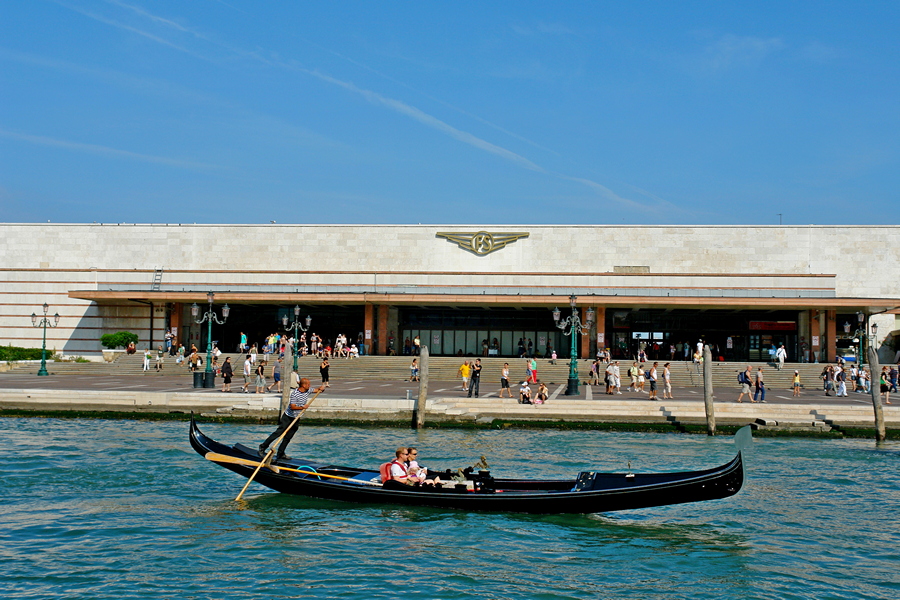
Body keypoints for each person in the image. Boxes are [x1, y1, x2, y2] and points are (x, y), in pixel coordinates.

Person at [259, 377, 325, 461]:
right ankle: (262, 447)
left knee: (288, 437)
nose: (310, 385)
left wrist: (322, 388)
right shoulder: (295, 394)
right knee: (278, 433)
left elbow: (317, 390)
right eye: (308, 384)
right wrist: (302, 407)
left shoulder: (307, 390)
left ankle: (281, 453)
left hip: (296, 418)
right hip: (288, 417)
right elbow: (292, 407)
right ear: (304, 385)